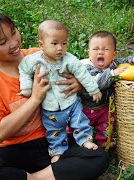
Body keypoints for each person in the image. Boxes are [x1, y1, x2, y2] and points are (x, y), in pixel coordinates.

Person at [0, 7, 108, 180]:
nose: (14, 43)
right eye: (2, 42)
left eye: (13, 33)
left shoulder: (39, 55)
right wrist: (35, 98)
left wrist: (78, 84)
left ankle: (32, 177)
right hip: (13, 151)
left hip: (52, 139)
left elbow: (76, 70)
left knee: (98, 157)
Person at [18, 19, 102, 163]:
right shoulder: (32, 61)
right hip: (50, 106)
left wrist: (93, 89)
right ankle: (57, 151)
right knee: (54, 130)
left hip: (71, 101)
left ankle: (84, 140)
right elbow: (24, 70)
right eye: (55, 43)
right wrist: (26, 88)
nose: (60, 48)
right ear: (41, 45)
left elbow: (82, 72)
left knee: (80, 121)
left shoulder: (69, 60)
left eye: (64, 43)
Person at [78, 30, 134, 148]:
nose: (100, 52)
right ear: (89, 53)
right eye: (95, 49)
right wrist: (112, 74)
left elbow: (124, 62)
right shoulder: (85, 68)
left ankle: (103, 141)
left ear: (114, 54)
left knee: (107, 124)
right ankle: (79, 141)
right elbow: (95, 83)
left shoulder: (113, 63)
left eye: (106, 49)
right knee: (81, 125)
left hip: (105, 106)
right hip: (85, 107)